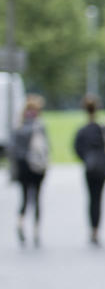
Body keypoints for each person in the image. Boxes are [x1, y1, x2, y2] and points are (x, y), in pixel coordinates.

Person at [73, 94, 105, 245]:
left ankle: (92, 228)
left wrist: (86, 159)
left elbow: (77, 148)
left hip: (90, 168)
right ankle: (96, 229)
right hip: (102, 168)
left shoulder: (83, 130)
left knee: (91, 198)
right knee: (99, 198)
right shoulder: (102, 128)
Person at [11, 95, 49, 247]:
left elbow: (13, 150)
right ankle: (35, 230)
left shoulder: (19, 127)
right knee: (37, 199)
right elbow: (45, 148)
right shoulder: (39, 126)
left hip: (22, 167)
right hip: (37, 167)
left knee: (25, 198)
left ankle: (20, 223)